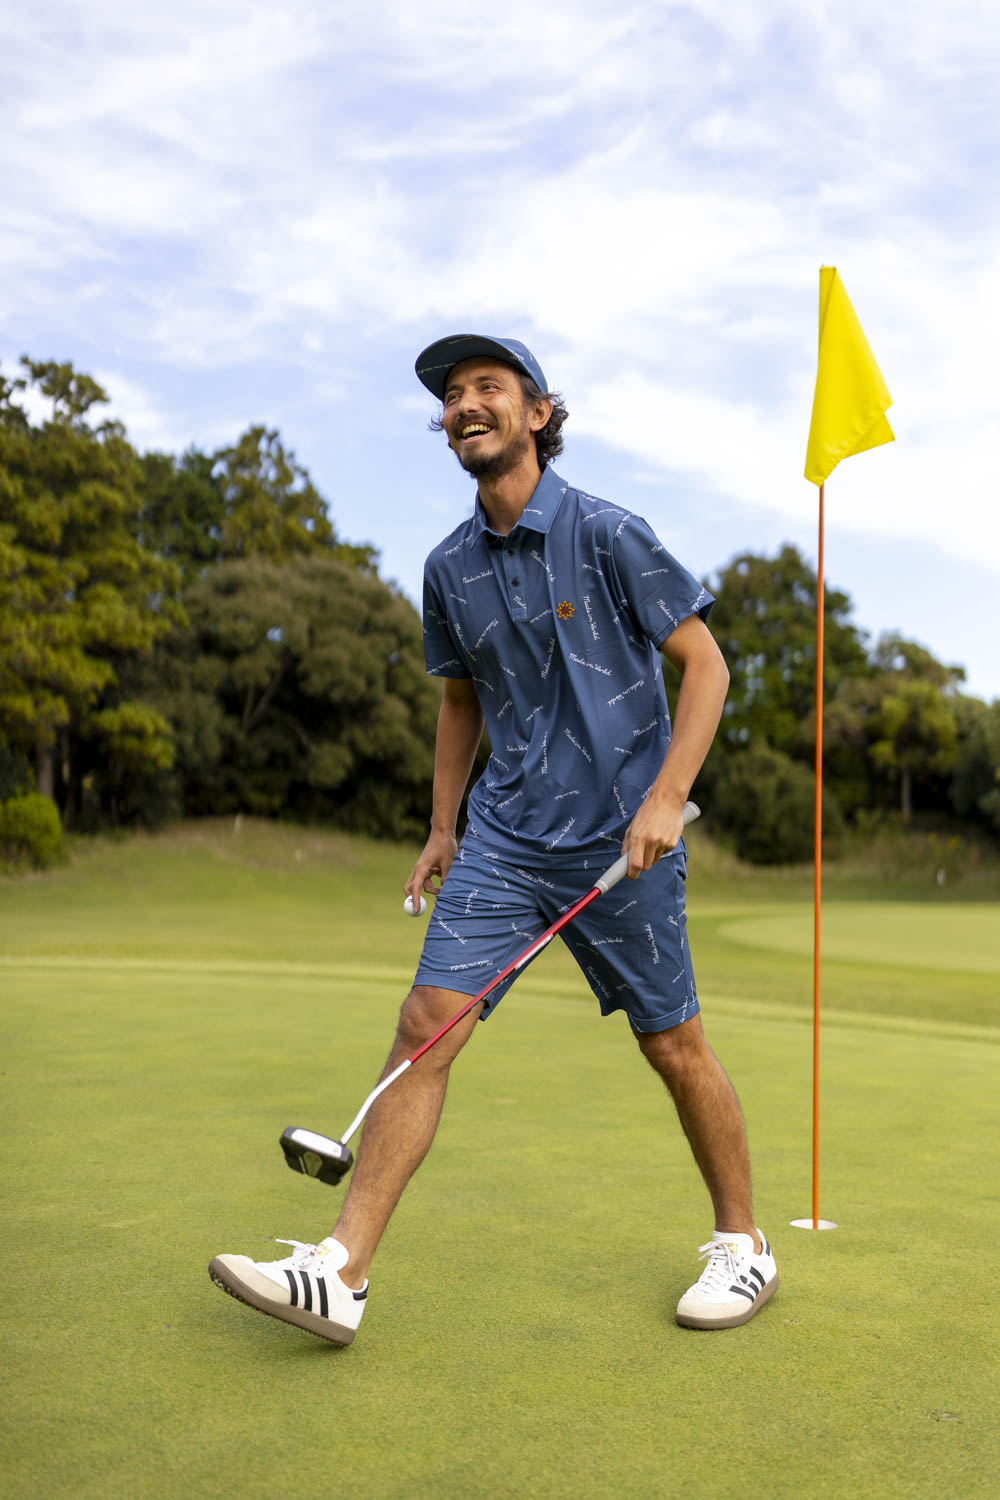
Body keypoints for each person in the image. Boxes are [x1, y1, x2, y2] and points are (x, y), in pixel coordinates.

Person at [209, 334, 778, 1343]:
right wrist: (441, 826)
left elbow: (707, 665)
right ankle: (341, 1269)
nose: (465, 405)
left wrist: (665, 797)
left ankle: (743, 1245)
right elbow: (461, 701)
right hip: (505, 842)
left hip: (620, 839)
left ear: (537, 415)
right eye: (451, 396)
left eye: (487, 389)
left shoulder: (607, 532)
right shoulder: (447, 568)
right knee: (424, 1024)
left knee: (674, 1045)